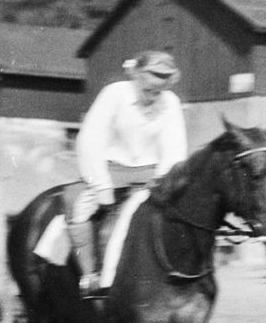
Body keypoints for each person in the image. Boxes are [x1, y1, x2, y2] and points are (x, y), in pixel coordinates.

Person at [69, 49, 187, 294]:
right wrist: (100, 185)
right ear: (137, 75)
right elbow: (90, 140)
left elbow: (175, 150)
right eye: (150, 85)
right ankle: (90, 276)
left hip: (152, 176)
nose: (155, 92)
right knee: (79, 208)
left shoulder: (170, 103)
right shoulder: (114, 94)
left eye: (161, 87)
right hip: (112, 171)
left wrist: (163, 184)